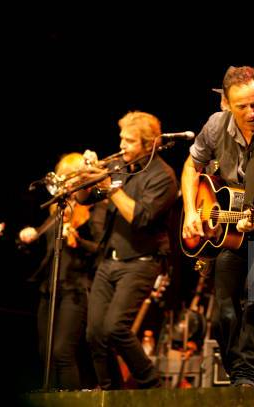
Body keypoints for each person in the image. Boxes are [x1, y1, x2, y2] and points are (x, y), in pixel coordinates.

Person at [181, 66, 254, 386]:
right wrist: (192, 212)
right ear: (227, 105)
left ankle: (248, 376)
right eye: (243, 106)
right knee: (224, 310)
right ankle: (238, 372)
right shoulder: (216, 125)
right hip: (230, 224)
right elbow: (191, 168)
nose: (252, 112)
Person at [77, 111, 178, 390]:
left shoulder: (164, 177)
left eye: (130, 141)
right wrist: (86, 175)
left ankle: (152, 384)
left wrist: (110, 188)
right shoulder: (119, 166)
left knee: (115, 328)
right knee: (94, 333)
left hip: (141, 262)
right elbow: (84, 199)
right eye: (122, 138)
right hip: (108, 261)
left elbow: (140, 217)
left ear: (148, 145)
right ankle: (110, 392)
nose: (121, 146)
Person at [18, 152, 106, 390]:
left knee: (62, 352)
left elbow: (100, 248)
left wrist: (78, 242)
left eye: (72, 178)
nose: (66, 184)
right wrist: (29, 240)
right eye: (64, 178)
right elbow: (46, 252)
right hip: (51, 287)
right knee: (45, 351)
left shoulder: (94, 208)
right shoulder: (59, 210)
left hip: (76, 289)